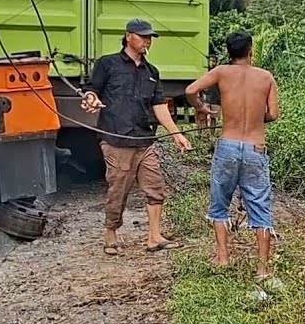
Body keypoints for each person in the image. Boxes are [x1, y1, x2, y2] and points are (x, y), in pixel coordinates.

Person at [82, 18, 192, 256]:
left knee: (155, 188)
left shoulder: (151, 72)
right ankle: (111, 234)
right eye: (143, 36)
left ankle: (154, 237)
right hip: (116, 139)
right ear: (128, 36)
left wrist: (177, 135)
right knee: (118, 189)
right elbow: (92, 90)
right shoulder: (108, 64)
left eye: (150, 37)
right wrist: (91, 98)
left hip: (145, 140)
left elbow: (159, 105)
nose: (147, 41)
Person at [185, 31, 280, 280]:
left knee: (220, 203)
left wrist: (202, 108)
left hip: (227, 145)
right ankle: (263, 269)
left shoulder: (221, 72)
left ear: (229, 52)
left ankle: (223, 257)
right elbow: (273, 114)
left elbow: (190, 90)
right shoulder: (266, 77)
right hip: (255, 148)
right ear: (251, 51)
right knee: (260, 206)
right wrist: (256, 117)